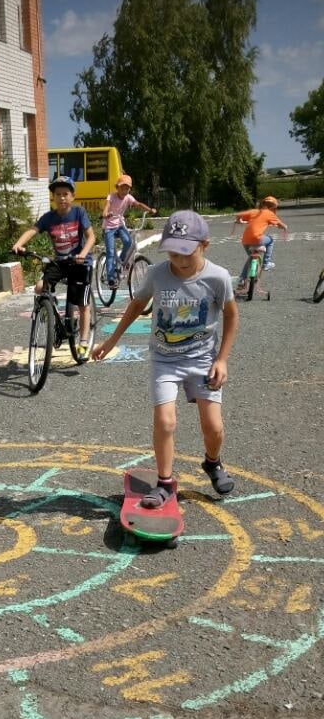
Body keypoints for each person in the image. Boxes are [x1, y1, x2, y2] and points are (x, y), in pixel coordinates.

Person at [92, 210, 239, 507]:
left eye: (187, 253)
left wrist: (222, 359)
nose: (180, 261)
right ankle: (164, 483)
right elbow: (136, 306)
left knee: (213, 427)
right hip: (165, 361)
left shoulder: (218, 277)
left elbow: (231, 316)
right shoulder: (157, 274)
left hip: (202, 360)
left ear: (204, 245)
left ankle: (212, 462)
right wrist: (111, 341)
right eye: (173, 253)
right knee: (165, 421)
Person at [12, 176, 96, 360]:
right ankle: (50, 312)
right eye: (58, 194)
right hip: (60, 262)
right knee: (40, 287)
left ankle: (83, 341)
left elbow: (91, 237)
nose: (62, 198)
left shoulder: (79, 213)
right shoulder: (49, 218)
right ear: (53, 197)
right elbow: (32, 230)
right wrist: (19, 244)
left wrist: (83, 253)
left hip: (80, 263)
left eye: (65, 194)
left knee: (82, 304)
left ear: (72, 196)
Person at [102, 174, 156, 285]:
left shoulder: (128, 197)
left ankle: (121, 261)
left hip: (120, 225)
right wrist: (106, 214)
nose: (124, 191)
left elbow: (138, 204)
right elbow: (106, 208)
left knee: (128, 242)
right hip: (109, 227)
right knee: (110, 252)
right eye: (122, 188)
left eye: (127, 188)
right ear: (117, 187)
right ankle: (110, 277)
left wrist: (150, 210)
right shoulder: (111, 197)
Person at [232, 195, 288, 287]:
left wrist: (239, 221)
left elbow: (238, 215)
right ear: (273, 207)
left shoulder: (254, 212)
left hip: (245, 240)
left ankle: (242, 279)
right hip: (257, 239)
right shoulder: (270, 214)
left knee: (251, 258)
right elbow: (280, 224)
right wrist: (285, 227)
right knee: (270, 240)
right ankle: (266, 263)